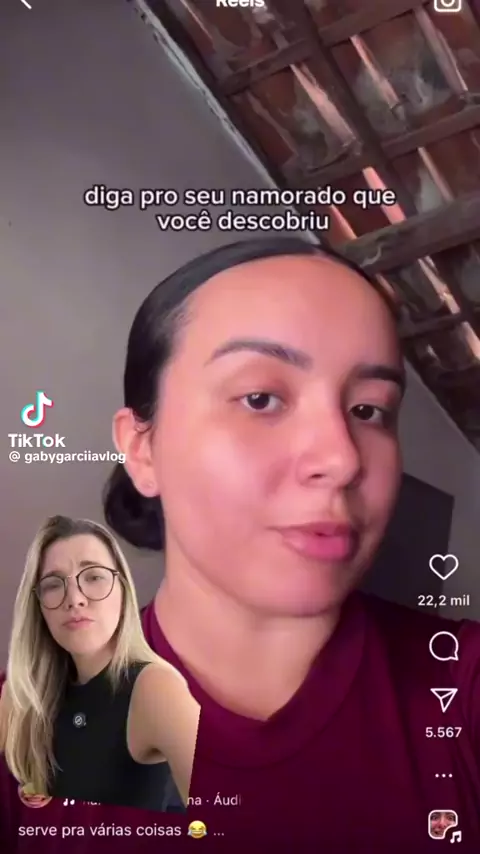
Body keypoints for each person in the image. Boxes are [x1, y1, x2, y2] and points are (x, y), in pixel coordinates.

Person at [1, 237, 479, 853]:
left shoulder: (459, 687)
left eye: (369, 410)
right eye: (260, 399)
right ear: (143, 449)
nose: (342, 459)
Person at [0, 515, 200, 819]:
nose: (75, 599)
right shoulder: (22, 696)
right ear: (38, 607)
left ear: (123, 590)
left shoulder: (155, 688)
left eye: (93, 577)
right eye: (53, 584)